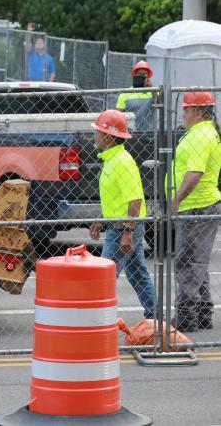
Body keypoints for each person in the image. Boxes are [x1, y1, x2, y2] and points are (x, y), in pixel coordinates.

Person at [88, 109, 157, 321]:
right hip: (119, 225)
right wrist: (101, 219)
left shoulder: (122, 162)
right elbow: (115, 197)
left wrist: (128, 231)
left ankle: (96, 320)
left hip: (123, 229)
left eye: (98, 132)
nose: (95, 136)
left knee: (104, 275)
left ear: (108, 137)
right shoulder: (112, 159)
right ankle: (156, 316)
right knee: (137, 274)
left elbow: (135, 199)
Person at [166, 91, 221, 332]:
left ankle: (187, 317)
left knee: (188, 262)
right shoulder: (206, 133)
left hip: (196, 206)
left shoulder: (201, 136)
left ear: (199, 112)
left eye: (187, 110)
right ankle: (203, 313)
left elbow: (195, 173)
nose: (184, 114)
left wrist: (177, 200)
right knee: (197, 262)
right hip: (199, 204)